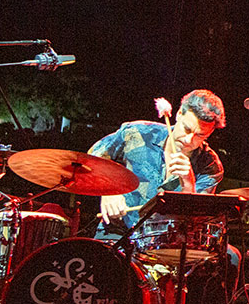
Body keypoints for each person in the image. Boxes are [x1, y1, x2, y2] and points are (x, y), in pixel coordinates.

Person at [88, 89, 227, 235]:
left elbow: (194, 222)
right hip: (117, 230)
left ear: (210, 132)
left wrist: (188, 184)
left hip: (165, 243)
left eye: (199, 135)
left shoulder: (211, 166)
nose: (188, 140)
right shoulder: (137, 132)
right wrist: (109, 191)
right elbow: (94, 157)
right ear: (179, 114)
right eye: (186, 129)